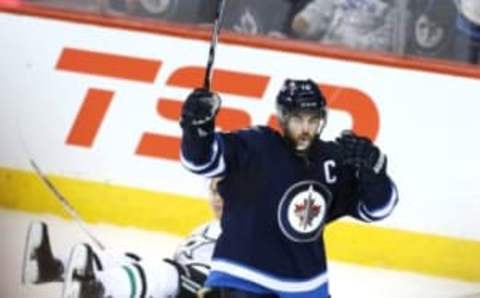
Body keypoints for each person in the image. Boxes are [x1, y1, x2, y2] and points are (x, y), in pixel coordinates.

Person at [180, 79, 399, 298]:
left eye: (313, 120)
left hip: (308, 288)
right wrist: (197, 129)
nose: (306, 129)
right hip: (242, 279)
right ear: (283, 117)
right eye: (298, 119)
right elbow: (200, 160)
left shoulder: (330, 161)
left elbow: (377, 209)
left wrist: (375, 174)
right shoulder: (256, 146)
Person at [21, 180, 223, 298]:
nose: (217, 199)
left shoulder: (250, 232)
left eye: (225, 192)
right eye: (214, 191)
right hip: (190, 290)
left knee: (165, 272)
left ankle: (99, 287)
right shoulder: (208, 228)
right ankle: (53, 268)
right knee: (129, 261)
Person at [290, 0, 405, 54]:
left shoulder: (392, 10)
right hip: (323, 54)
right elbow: (314, 15)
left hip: (361, 63)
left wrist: (349, 45)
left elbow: (385, 43)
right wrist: (305, 22)